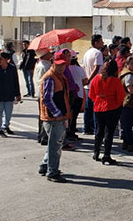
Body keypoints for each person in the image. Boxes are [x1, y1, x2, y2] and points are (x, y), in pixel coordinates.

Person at [38, 52, 70, 183]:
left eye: (63, 65)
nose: (62, 67)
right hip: (53, 118)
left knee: (54, 145)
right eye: (59, 65)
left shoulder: (58, 76)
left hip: (55, 117)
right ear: (53, 63)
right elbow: (47, 99)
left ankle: (45, 166)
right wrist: (58, 115)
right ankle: (52, 172)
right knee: (55, 146)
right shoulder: (51, 78)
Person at [89, 60, 125, 165]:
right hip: (112, 107)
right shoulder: (115, 80)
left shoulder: (96, 78)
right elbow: (120, 96)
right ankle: (107, 155)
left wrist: (98, 100)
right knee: (109, 132)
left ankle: (96, 152)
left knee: (99, 130)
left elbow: (91, 94)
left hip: (98, 106)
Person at [0, 52, 21, 137]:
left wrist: (18, 94)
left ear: (6, 60)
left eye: (0, 59)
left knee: (8, 112)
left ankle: (6, 126)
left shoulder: (12, 68)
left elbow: (15, 81)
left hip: (9, 93)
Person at [82, 34, 104, 135]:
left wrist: (87, 79)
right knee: (96, 108)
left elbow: (84, 66)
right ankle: (96, 129)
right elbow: (97, 67)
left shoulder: (87, 52)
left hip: (88, 84)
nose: (102, 43)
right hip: (95, 84)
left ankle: (87, 127)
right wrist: (90, 79)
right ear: (96, 43)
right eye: (101, 41)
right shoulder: (98, 53)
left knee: (88, 107)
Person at [67, 53, 87, 141]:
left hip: (69, 94)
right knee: (74, 115)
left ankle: (69, 131)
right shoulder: (79, 69)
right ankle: (71, 132)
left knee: (69, 114)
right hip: (78, 94)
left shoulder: (66, 69)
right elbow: (85, 81)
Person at [34, 50, 52, 145]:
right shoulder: (44, 66)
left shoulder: (44, 64)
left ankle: (42, 136)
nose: (51, 54)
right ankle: (43, 136)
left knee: (43, 116)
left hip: (41, 93)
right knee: (45, 116)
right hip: (44, 93)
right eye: (49, 53)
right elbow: (43, 80)